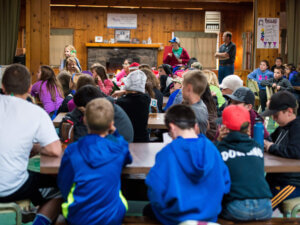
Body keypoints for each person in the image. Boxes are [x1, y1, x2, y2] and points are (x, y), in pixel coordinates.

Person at [144, 104, 230, 224]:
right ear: (195, 126)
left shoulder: (167, 153)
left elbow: (155, 188)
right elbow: (226, 183)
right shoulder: (212, 149)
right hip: (209, 216)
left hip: (176, 217)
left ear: (172, 128)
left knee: (147, 210)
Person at [0, 64, 62, 225]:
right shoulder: (36, 112)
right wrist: (35, 147)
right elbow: (55, 150)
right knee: (60, 189)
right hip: (14, 186)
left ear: (2, 86)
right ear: (29, 87)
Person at [57, 98, 132, 225]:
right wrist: (116, 134)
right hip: (112, 217)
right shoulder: (118, 149)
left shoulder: (72, 150)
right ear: (111, 124)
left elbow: (64, 184)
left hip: (79, 217)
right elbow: (127, 157)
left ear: (85, 120)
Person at [216, 105, 272, 221]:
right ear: (249, 127)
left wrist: (218, 140)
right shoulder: (257, 146)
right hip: (265, 207)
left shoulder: (219, 149)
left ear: (224, 128)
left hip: (237, 208)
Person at [262, 91, 300, 209]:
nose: (273, 118)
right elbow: (270, 140)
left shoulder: (297, 127)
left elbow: (295, 151)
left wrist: (270, 146)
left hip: (292, 183)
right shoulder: (283, 127)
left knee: (262, 209)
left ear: (289, 111)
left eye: (276, 115)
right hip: (276, 179)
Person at [60, 84, 134, 143]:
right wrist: (69, 118)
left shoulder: (104, 112)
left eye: (82, 111)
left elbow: (83, 138)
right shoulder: (101, 104)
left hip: (114, 149)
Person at [116, 70, 151, 142]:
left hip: (126, 140)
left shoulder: (120, 102)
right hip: (143, 139)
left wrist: (117, 94)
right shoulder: (146, 99)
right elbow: (136, 93)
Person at [182, 70, 209, 134]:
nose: (181, 89)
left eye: (183, 86)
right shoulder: (202, 105)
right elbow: (207, 126)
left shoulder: (192, 112)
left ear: (189, 88)